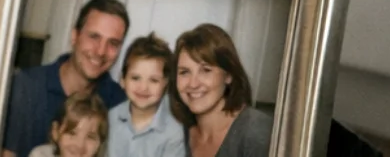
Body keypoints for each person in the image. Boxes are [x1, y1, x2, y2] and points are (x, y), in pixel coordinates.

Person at [2, 0, 131, 157]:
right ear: (74, 36)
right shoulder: (26, 87)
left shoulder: (119, 103)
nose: (101, 51)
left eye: (113, 43)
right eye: (94, 37)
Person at [174, 24, 273, 157]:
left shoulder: (256, 131)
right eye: (184, 72)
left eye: (206, 70)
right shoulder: (176, 134)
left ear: (228, 75)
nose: (193, 83)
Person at [109, 33, 187, 157]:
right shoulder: (110, 118)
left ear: (165, 84)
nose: (143, 87)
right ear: (122, 80)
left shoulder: (173, 132)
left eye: (153, 80)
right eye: (135, 78)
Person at [27, 94, 110, 157]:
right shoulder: (40, 154)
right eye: (72, 133)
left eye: (90, 137)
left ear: (100, 143)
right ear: (55, 131)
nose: (79, 145)